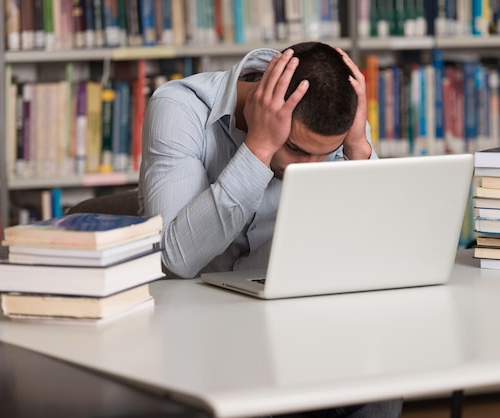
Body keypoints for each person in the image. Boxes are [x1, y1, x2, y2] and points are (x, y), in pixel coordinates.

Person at [138, 41, 402, 418]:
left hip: (300, 326)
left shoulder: (336, 123)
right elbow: (176, 259)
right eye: (295, 148)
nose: (307, 168)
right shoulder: (179, 109)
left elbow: (381, 248)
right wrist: (258, 147)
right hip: (203, 329)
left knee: (380, 373)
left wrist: (358, 149)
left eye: (322, 155)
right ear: (259, 101)